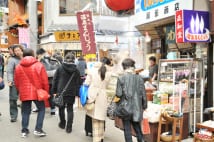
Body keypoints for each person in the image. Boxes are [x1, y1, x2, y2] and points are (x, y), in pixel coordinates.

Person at [14, 48, 49, 138]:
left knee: (25, 111)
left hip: (25, 92)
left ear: (24, 55)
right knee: (41, 109)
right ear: (33, 54)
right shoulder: (39, 65)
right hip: (37, 92)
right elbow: (45, 80)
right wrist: (46, 91)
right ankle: (38, 129)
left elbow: (16, 82)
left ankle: (24, 131)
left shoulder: (18, 66)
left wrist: (20, 91)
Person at [115, 58, 147, 142]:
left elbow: (118, 94)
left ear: (124, 67)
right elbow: (143, 94)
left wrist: (116, 103)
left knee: (127, 129)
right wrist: (144, 106)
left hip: (125, 108)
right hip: (137, 107)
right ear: (132, 66)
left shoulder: (121, 78)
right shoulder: (139, 78)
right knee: (137, 128)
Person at [52, 52, 81, 133]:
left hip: (61, 91)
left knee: (61, 107)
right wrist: (77, 93)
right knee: (70, 109)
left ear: (65, 59)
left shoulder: (60, 68)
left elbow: (55, 80)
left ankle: (62, 123)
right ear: (74, 60)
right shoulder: (76, 70)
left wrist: (54, 91)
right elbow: (79, 83)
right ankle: (69, 127)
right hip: (71, 92)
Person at [85, 57, 112, 142]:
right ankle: (101, 137)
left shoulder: (92, 70)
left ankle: (96, 139)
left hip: (93, 96)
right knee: (101, 118)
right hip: (103, 96)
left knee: (95, 120)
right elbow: (108, 86)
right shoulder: (109, 73)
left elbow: (86, 83)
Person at [36, 48, 61, 115]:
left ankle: (41, 108)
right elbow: (59, 71)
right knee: (50, 95)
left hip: (44, 81)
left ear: (39, 54)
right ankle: (52, 109)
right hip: (52, 81)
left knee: (41, 94)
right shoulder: (55, 60)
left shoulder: (40, 61)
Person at [7, 44, 23, 122]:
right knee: (13, 99)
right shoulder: (12, 60)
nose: (17, 52)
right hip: (14, 82)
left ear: (21, 50)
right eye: (15, 51)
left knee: (25, 99)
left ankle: (25, 114)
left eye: (18, 50)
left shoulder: (26, 58)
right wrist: (10, 80)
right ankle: (13, 116)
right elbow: (9, 71)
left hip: (25, 83)